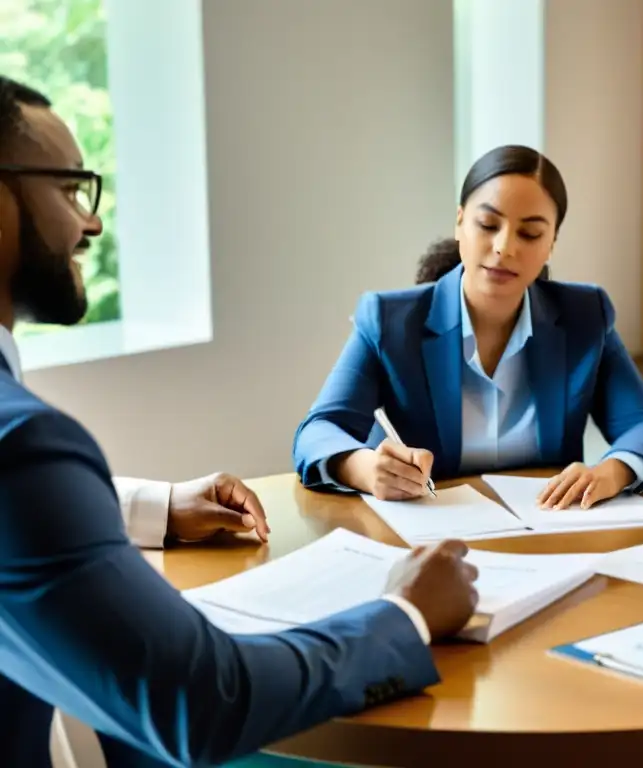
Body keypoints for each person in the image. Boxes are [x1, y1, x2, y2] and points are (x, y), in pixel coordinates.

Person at [0, 75, 479, 766]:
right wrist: (403, 614)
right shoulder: (25, 446)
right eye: (71, 189)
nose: (92, 222)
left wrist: (152, 506)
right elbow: (203, 702)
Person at [294, 144, 643, 509]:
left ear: (552, 244)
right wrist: (363, 468)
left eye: (530, 233)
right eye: (487, 224)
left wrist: (611, 473)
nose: (505, 247)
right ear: (460, 223)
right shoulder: (388, 319)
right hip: (426, 539)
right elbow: (318, 430)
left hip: (545, 535)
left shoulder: (586, 315)